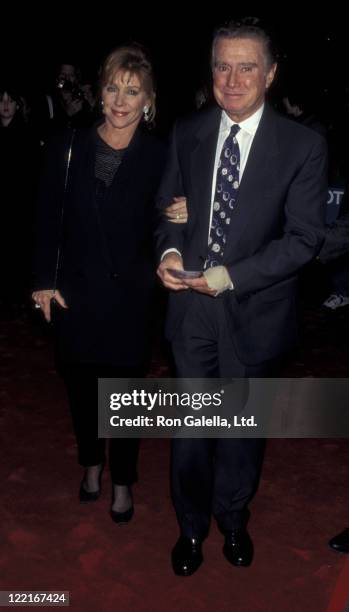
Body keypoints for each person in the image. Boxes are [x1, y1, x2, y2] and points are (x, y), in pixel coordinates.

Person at [156, 19, 328, 575]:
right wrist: (171, 254)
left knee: (240, 433)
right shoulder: (188, 131)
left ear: (271, 74)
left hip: (257, 310)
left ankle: (232, 518)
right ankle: (190, 529)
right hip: (190, 313)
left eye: (246, 66)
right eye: (222, 66)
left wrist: (230, 275)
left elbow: (305, 239)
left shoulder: (303, 145)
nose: (232, 80)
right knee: (189, 432)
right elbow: (169, 210)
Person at [32, 44, 167, 524]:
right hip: (75, 293)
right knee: (83, 392)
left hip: (130, 299)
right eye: (113, 87)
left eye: (133, 91)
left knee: (127, 398)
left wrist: (183, 213)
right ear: (99, 92)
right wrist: (44, 280)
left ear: (148, 100)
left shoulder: (160, 155)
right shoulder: (68, 144)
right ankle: (91, 465)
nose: (120, 99)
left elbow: (166, 223)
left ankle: (123, 480)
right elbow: (48, 218)